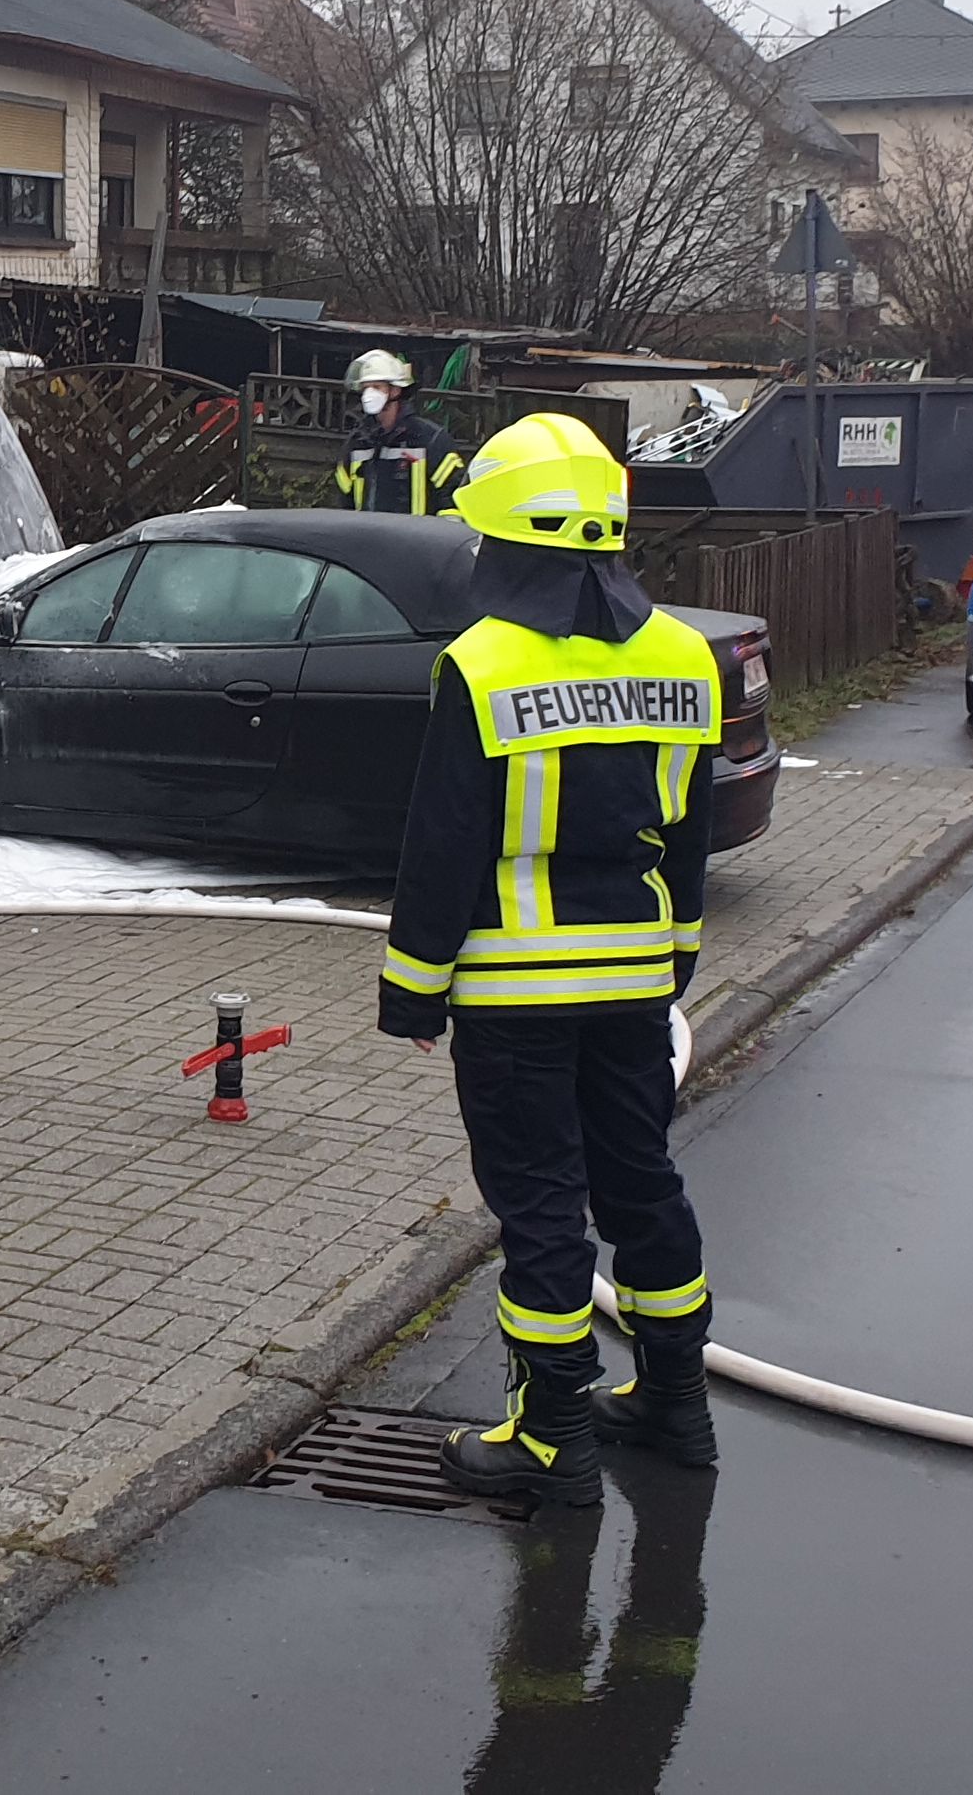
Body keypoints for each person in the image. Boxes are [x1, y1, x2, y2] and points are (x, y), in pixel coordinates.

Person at [382, 413, 725, 1493]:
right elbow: (691, 837)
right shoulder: (685, 654)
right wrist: (676, 959)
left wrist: (412, 988)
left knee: (540, 1207)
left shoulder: (480, 666)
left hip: (514, 993)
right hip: (632, 982)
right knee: (641, 1185)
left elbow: (444, 845)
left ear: (504, 539)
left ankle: (549, 1437)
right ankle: (677, 1404)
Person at [335, 349, 467, 516]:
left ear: (395, 390)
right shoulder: (356, 444)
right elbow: (344, 505)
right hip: (370, 540)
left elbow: (452, 500)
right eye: (365, 388)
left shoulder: (430, 439)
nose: (369, 394)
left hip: (417, 541)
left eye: (376, 387)